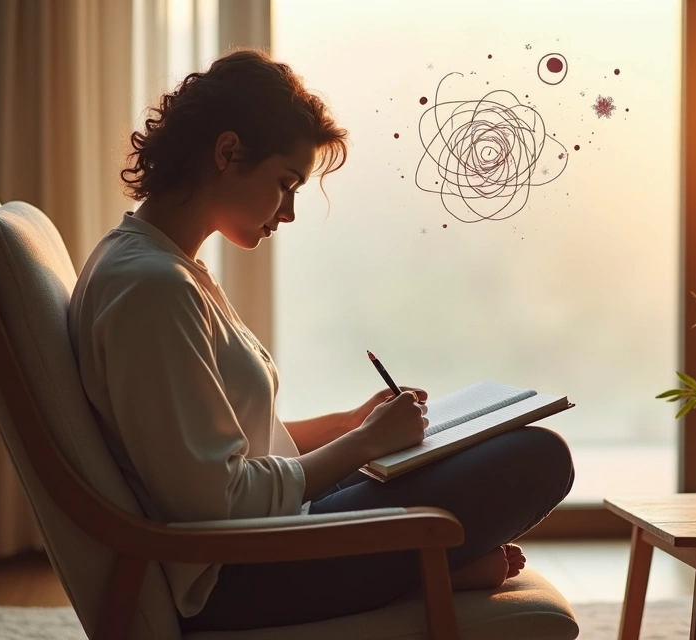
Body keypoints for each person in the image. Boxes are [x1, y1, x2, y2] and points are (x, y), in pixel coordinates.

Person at [68, 48, 573, 632]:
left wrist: (349, 425)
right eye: (285, 184)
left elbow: (226, 451)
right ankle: (431, 568)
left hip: (275, 532)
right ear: (228, 153)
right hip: (244, 573)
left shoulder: (158, 266)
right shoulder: (152, 290)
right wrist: (360, 446)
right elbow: (214, 503)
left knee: (493, 446)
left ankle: (430, 564)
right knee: (538, 457)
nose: (287, 212)